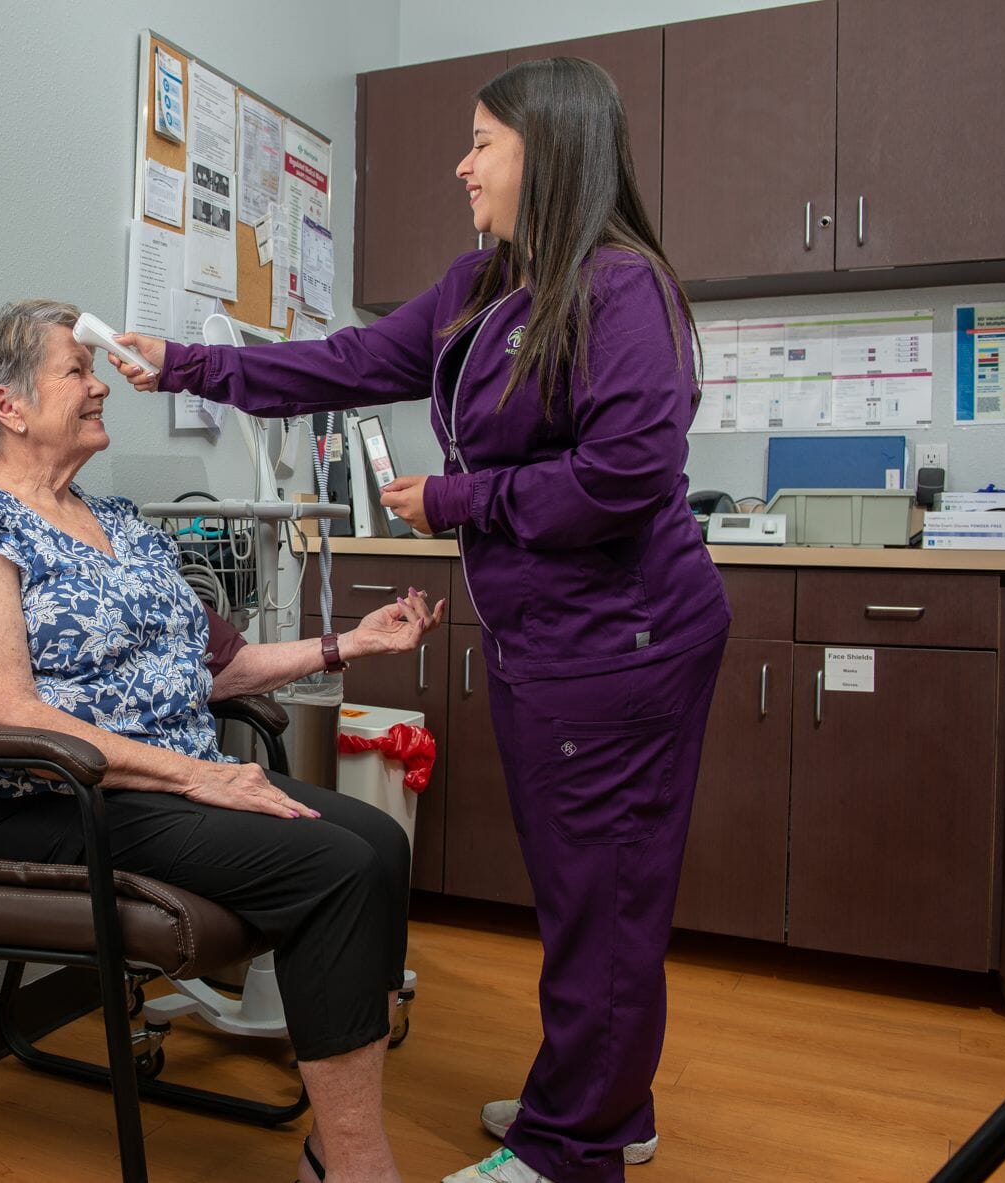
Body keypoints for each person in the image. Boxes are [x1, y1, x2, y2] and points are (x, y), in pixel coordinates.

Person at [108, 57, 731, 1183]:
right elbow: (342, 364)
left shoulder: (617, 287)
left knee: (603, 896)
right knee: (586, 888)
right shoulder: (481, 286)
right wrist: (186, 365)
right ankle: (604, 1104)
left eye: (482, 141)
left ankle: (570, 1150)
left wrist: (452, 498)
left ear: (547, 153)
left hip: (623, 645)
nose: (463, 163)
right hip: (549, 643)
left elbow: (623, 478)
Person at [0, 298, 447, 1183]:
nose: (101, 384)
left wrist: (353, 643)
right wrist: (195, 777)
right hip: (54, 798)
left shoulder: (123, 527)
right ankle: (357, 1163)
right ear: (8, 407)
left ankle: (336, 1138)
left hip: (158, 784)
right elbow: (4, 712)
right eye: (77, 370)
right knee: (332, 865)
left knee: (374, 840)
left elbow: (223, 665)